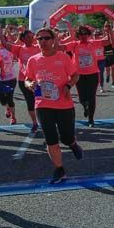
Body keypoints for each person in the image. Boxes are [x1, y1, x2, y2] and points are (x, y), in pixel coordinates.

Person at [23, 29, 82, 184]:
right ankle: (59, 169)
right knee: (51, 139)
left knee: (66, 136)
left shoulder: (63, 57)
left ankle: (72, 143)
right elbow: (27, 79)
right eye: (39, 38)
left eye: (46, 38)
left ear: (53, 39)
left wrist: (68, 86)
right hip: (42, 104)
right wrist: (30, 84)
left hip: (64, 104)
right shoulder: (33, 60)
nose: (43, 41)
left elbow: (75, 75)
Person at [61, 25, 112, 127]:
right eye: (81, 34)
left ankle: (91, 119)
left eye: (85, 34)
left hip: (92, 74)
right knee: (81, 98)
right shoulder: (74, 44)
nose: (83, 36)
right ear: (78, 35)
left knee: (92, 96)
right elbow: (60, 47)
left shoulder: (94, 43)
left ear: (88, 35)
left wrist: (109, 31)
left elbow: (108, 42)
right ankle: (85, 107)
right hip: (79, 75)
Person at [10, 29, 42, 134]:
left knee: (40, 101)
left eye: (32, 36)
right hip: (24, 81)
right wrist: (1, 31)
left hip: (38, 80)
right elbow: (4, 44)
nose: (31, 38)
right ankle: (34, 123)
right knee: (30, 102)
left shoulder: (38, 47)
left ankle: (44, 121)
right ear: (23, 39)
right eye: (28, 37)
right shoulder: (19, 49)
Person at [0, 29, 19, 125]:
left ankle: (13, 117)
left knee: (10, 98)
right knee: (2, 100)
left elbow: (17, 48)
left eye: (1, 39)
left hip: (11, 78)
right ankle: (7, 107)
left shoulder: (10, 50)